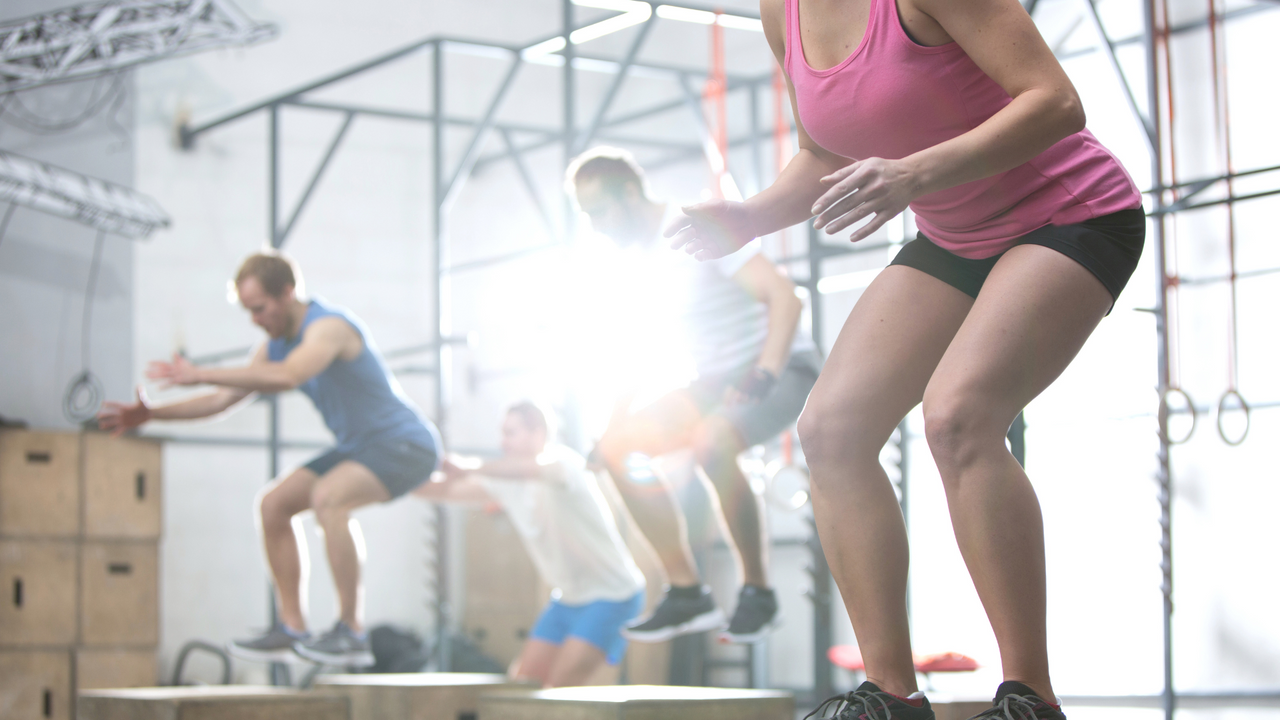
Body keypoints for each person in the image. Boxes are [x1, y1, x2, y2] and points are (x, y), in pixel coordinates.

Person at [665, 0, 1144, 716]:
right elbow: (823, 154)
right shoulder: (782, 12)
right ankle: (890, 695)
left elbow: (1055, 102)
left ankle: (1030, 697)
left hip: (1070, 213)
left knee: (958, 416)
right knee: (830, 431)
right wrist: (750, 217)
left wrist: (916, 174)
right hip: (956, 236)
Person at [98, 251, 441, 667]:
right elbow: (221, 401)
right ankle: (292, 627)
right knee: (274, 504)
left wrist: (201, 372)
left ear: (287, 293)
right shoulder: (274, 347)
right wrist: (152, 414)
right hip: (358, 446)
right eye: (248, 311)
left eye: (260, 308)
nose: (255, 320)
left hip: (405, 443)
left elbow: (288, 376)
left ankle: (351, 631)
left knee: (330, 498)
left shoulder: (329, 328)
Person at [566, 148, 822, 644]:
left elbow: (785, 297)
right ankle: (687, 594)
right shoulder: (633, 264)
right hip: (713, 380)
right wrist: (611, 431)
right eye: (586, 216)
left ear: (631, 194)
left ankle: (758, 593)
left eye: (599, 212)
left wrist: (766, 372)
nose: (595, 227)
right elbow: (637, 350)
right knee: (620, 450)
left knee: (712, 441)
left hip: (782, 365)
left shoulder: (694, 230)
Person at [414, 402, 646, 687]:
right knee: (521, 685)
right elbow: (442, 490)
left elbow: (527, 470)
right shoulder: (506, 484)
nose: (503, 442)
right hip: (567, 599)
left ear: (538, 433)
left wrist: (469, 466)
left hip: (613, 596)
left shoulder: (565, 465)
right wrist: (390, 474)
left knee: (559, 691)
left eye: (511, 433)